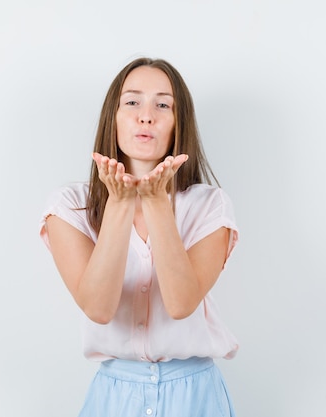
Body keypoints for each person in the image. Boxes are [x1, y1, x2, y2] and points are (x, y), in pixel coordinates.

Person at [39, 57, 239, 417]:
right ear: (112, 118)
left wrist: (155, 203)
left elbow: (181, 304)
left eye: (163, 104)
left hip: (194, 396)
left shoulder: (210, 205)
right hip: (114, 397)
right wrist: (118, 204)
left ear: (179, 122)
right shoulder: (68, 206)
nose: (146, 115)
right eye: (132, 101)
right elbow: (98, 308)